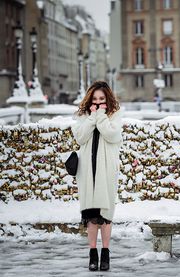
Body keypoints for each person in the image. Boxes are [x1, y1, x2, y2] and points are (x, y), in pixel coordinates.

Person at [71, 81, 122, 271]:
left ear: (107, 99)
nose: (99, 102)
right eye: (95, 99)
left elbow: (111, 134)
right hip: (87, 171)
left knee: (105, 216)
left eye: (102, 98)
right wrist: (92, 117)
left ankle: (106, 255)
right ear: (89, 99)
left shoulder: (114, 116)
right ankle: (93, 255)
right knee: (91, 216)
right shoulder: (84, 116)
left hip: (106, 171)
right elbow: (80, 137)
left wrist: (100, 115)